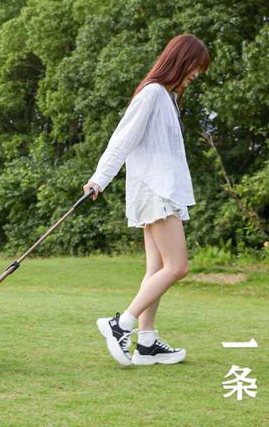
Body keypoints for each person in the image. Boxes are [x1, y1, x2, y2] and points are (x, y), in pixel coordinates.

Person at [83, 34, 210, 366]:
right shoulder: (153, 93)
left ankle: (148, 342)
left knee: (157, 268)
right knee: (178, 267)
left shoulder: (167, 97)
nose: (197, 73)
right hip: (156, 192)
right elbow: (122, 139)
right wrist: (100, 178)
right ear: (181, 60)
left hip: (161, 191)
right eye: (196, 65)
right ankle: (120, 325)